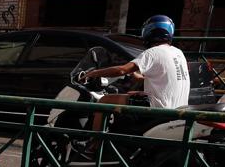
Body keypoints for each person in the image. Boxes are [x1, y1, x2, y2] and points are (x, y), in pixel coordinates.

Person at [78, 15, 190, 143]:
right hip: (177, 107)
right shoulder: (178, 52)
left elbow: (122, 70)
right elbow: (164, 79)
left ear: (149, 31)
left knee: (105, 100)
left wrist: (94, 73)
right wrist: (138, 82)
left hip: (158, 107)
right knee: (130, 95)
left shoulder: (152, 52)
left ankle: (94, 144)